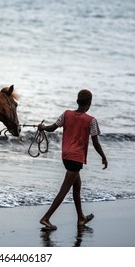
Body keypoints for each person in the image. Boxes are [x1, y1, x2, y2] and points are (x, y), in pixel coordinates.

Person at [38, 89, 108, 230]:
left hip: (65, 156)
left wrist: (42, 127)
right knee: (64, 190)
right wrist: (103, 157)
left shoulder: (66, 114)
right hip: (76, 158)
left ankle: (81, 218)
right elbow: (95, 142)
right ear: (89, 103)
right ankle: (46, 218)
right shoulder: (91, 121)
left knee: (77, 188)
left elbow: (52, 128)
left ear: (77, 101)